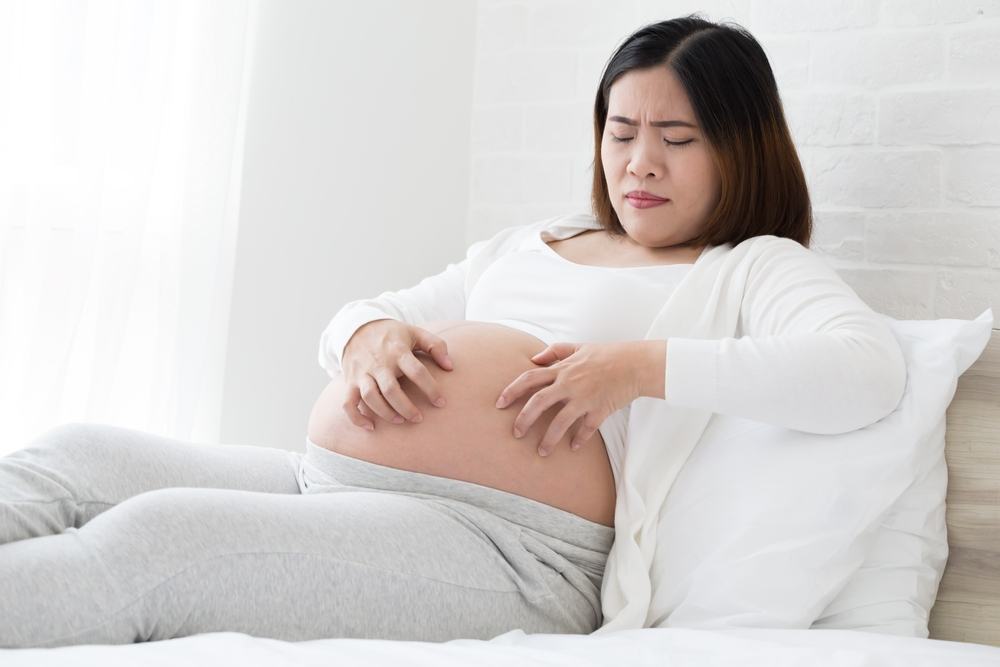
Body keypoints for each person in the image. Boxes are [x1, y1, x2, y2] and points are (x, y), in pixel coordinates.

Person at [0, 15, 905, 648]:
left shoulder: (749, 267)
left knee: (157, 546)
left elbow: (865, 372)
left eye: (677, 136)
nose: (639, 162)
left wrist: (634, 369)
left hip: (509, 550)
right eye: (621, 130)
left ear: (742, 146)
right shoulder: (531, 242)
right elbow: (369, 311)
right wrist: (366, 337)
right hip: (325, 481)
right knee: (76, 459)